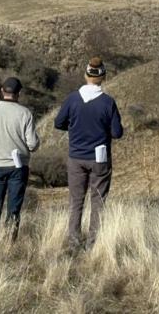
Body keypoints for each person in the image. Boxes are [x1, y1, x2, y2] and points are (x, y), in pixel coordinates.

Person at [54, 56, 123, 250]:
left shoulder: (72, 99)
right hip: (99, 158)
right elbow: (117, 133)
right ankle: (93, 244)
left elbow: (58, 123)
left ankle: (74, 242)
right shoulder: (108, 102)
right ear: (103, 77)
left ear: (86, 75)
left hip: (76, 157)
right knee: (98, 201)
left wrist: (74, 127)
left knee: (76, 201)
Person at [0, 77, 40, 239]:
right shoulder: (25, 113)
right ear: (19, 93)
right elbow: (33, 144)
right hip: (18, 167)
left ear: (2, 91)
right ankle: (9, 243)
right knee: (13, 209)